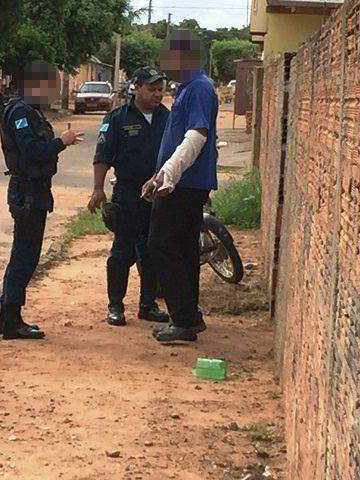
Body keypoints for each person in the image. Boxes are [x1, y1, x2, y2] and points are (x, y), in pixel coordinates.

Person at [0, 61, 85, 340]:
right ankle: (10, 319)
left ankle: (10, 317)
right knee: (24, 255)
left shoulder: (30, 110)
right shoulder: (21, 111)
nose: (52, 93)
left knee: (26, 254)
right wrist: (62, 142)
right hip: (27, 193)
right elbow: (31, 150)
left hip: (35, 191)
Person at [142, 30, 219, 343]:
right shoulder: (188, 88)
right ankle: (186, 317)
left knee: (160, 244)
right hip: (183, 181)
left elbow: (196, 136)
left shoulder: (199, 88)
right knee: (185, 248)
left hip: (184, 183)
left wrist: (166, 176)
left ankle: (185, 317)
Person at [88, 67, 170, 327]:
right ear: (136, 88)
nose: (158, 94)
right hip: (128, 193)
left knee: (153, 250)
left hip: (159, 194)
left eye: (160, 89)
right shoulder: (117, 117)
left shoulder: (167, 118)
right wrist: (98, 189)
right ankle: (115, 305)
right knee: (122, 251)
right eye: (152, 89)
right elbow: (102, 156)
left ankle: (147, 305)